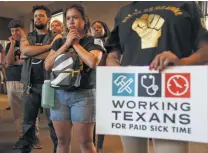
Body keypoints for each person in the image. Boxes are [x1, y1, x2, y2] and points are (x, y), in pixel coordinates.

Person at [106, 2, 208, 153]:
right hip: (131, 93)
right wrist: (114, 65)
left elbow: (205, 50)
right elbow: (113, 54)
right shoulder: (124, 11)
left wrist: (182, 62)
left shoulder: (185, 4)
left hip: (171, 92)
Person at [44, 4, 105, 153]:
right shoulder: (60, 42)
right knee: (62, 141)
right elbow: (47, 65)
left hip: (83, 95)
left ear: (85, 21)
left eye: (75, 17)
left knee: (85, 142)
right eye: (68, 18)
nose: (71, 21)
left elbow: (92, 62)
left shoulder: (94, 41)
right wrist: (66, 44)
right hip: (59, 95)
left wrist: (75, 43)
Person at [18, 5, 61, 153]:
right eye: (36, 16)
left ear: (48, 19)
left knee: (54, 122)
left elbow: (54, 57)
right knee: (28, 122)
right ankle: (26, 149)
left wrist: (31, 52)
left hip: (50, 85)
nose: (38, 18)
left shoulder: (56, 36)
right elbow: (24, 50)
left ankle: (57, 149)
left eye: (41, 15)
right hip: (30, 85)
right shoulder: (27, 37)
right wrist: (49, 48)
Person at [3, 19, 41, 149]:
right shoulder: (9, 45)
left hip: (27, 81)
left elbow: (32, 59)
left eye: (17, 30)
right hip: (12, 81)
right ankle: (23, 138)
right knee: (16, 113)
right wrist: (12, 45)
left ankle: (34, 138)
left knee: (30, 111)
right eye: (12, 31)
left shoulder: (29, 42)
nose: (14, 33)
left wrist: (17, 61)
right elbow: (7, 62)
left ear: (22, 29)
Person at [91, 20, 110, 153]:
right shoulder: (87, 44)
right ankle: (91, 143)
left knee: (101, 116)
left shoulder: (110, 44)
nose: (97, 29)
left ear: (105, 30)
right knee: (90, 116)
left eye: (100, 27)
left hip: (104, 82)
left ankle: (100, 146)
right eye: (94, 27)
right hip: (90, 83)